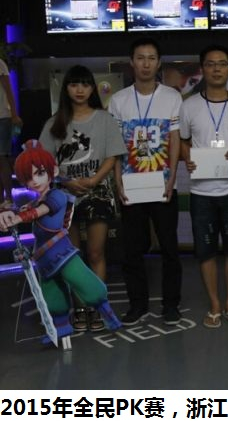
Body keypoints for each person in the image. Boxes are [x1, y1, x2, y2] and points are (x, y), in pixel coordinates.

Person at [0, 140, 121, 343]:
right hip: (44, 259)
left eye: (39, 173)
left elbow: (40, 211)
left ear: (53, 171)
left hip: (63, 253)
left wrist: (18, 218)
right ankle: (61, 328)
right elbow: (25, 212)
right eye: (28, 177)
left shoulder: (58, 196)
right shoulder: (33, 202)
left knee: (86, 284)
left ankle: (107, 314)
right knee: (53, 296)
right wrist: (8, 216)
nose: (34, 181)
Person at [39, 65, 126, 332]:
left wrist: (94, 180)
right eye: (74, 84)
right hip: (64, 197)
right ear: (66, 88)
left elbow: (113, 156)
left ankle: (95, 307)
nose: (80, 90)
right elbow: (44, 163)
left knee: (96, 252)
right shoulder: (54, 123)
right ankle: (78, 308)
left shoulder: (105, 119)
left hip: (97, 192)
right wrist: (66, 181)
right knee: (71, 258)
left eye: (85, 84)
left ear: (92, 89)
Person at [180, 45, 228, 328]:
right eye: (210, 64)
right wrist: (188, 158)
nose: (216, 69)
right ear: (203, 68)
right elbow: (183, 141)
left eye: (222, 64)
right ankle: (214, 305)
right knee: (205, 251)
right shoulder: (189, 105)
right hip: (200, 192)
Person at [108, 37, 183, 326]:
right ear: (132, 62)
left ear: (159, 62)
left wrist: (172, 177)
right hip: (132, 185)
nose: (146, 63)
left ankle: (171, 304)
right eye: (140, 58)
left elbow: (174, 139)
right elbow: (116, 145)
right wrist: (117, 181)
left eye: (151, 58)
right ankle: (137, 304)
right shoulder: (119, 100)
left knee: (169, 248)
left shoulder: (172, 97)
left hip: (163, 185)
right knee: (133, 250)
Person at [0, 58, 22, 209]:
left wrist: (14, 115)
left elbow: (8, 90)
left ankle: (8, 198)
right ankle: (2, 199)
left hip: (3, 117)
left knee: (2, 158)